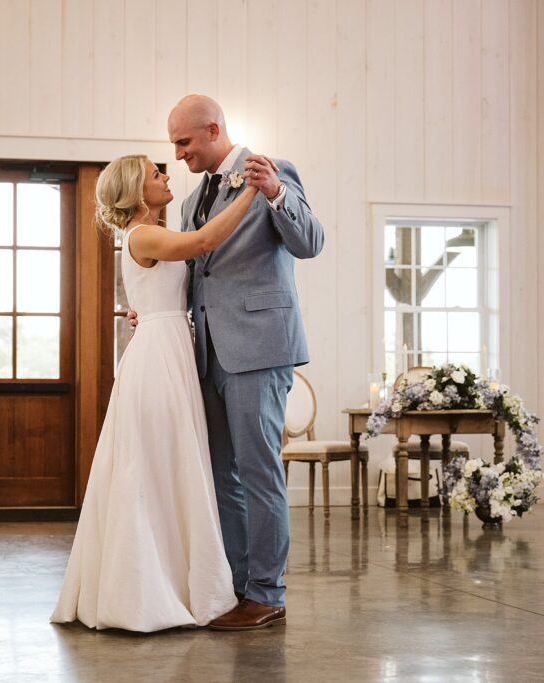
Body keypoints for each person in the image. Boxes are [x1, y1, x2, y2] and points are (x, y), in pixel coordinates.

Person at [50, 153, 267, 632]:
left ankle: (169, 577)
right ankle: (146, 589)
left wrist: (146, 311)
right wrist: (253, 190)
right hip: (159, 358)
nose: (167, 177)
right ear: (135, 189)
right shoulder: (145, 233)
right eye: (156, 174)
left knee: (167, 465)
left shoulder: (146, 234)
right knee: (156, 465)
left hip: (167, 344)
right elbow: (206, 240)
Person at [165, 94, 325, 630]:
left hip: (258, 347)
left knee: (258, 472)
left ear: (213, 129)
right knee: (220, 475)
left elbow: (310, 243)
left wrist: (276, 193)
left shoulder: (272, 173)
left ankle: (267, 591)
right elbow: (197, 276)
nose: (180, 154)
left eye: (185, 142)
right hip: (207, 353)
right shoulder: (192, 205)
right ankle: (236, 587)